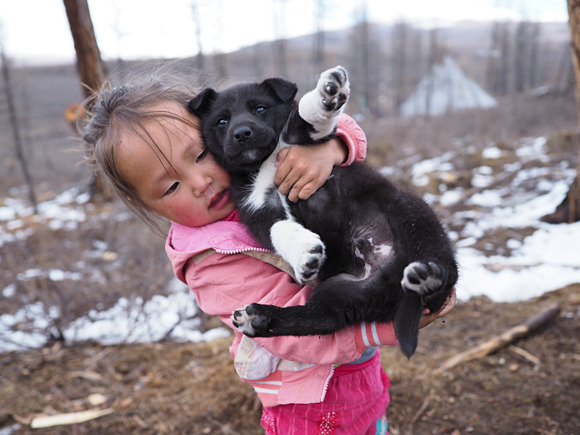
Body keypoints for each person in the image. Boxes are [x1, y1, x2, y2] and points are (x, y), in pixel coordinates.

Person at [82, 68, 455, 435]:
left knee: (372, 419)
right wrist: (381, 330)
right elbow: (287, 334)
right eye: (170, 187)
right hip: (308, 403)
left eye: (198, 156)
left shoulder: (258, 166)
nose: (200, 183)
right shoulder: (207, 263)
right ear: (146, 204)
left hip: (359, 372)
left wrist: (332, 148)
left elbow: (328, 125)